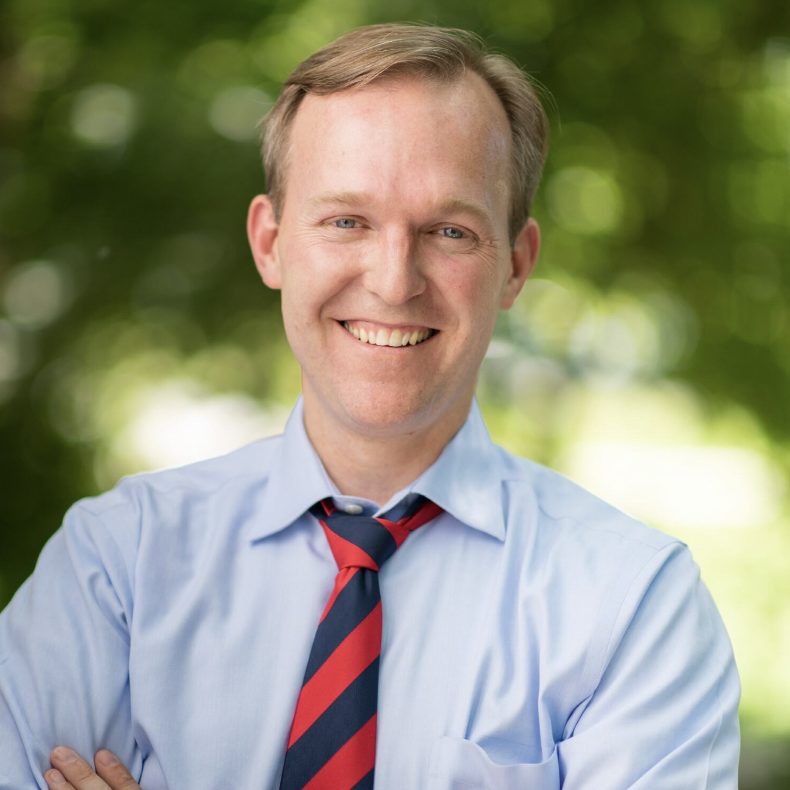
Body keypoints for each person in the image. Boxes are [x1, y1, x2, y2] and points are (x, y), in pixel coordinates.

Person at [0, 23, 739, 790]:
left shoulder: (632, 608)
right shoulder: (117, 567)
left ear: (515, 267)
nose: (393, 281)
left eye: (449, 231)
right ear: (271, 242)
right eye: (347, 221)